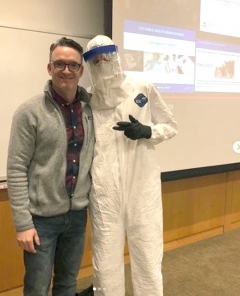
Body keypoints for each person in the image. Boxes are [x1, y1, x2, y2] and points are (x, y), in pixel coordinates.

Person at [81, 35, 178, 296]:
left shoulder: (142, 87)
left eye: (107, 58)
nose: (103, 65)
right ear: (89, 65)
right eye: (96, 61)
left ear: (117, 57)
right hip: (104, 192)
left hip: (141, 188)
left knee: (147, 256)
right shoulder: (88, 100)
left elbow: (170, 125)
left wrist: (147, 131)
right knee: (105, 264)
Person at [7, 37, 95, 296]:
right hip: (41, 219)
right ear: (49, 68)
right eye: (59, 64)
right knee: (37, 287)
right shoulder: (29, 112)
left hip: (77, 215)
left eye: (72, 65)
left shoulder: (92, 108)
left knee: (68, 283)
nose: (65, 70)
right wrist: (23, 223)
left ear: (81, 70)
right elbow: (16, 168)